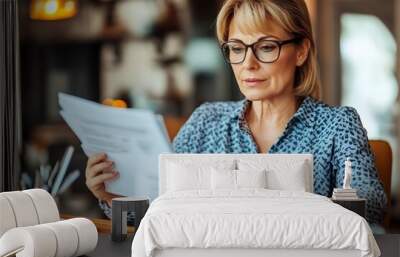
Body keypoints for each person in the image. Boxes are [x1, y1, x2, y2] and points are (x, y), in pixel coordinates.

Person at [85, 0, 387, 230]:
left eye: (266, 47)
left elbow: (371, 208)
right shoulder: (206, 122)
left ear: (301, 51)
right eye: (237, 48)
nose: (248, 64)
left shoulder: (337, 124)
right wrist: (112, 197)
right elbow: (160, 212)